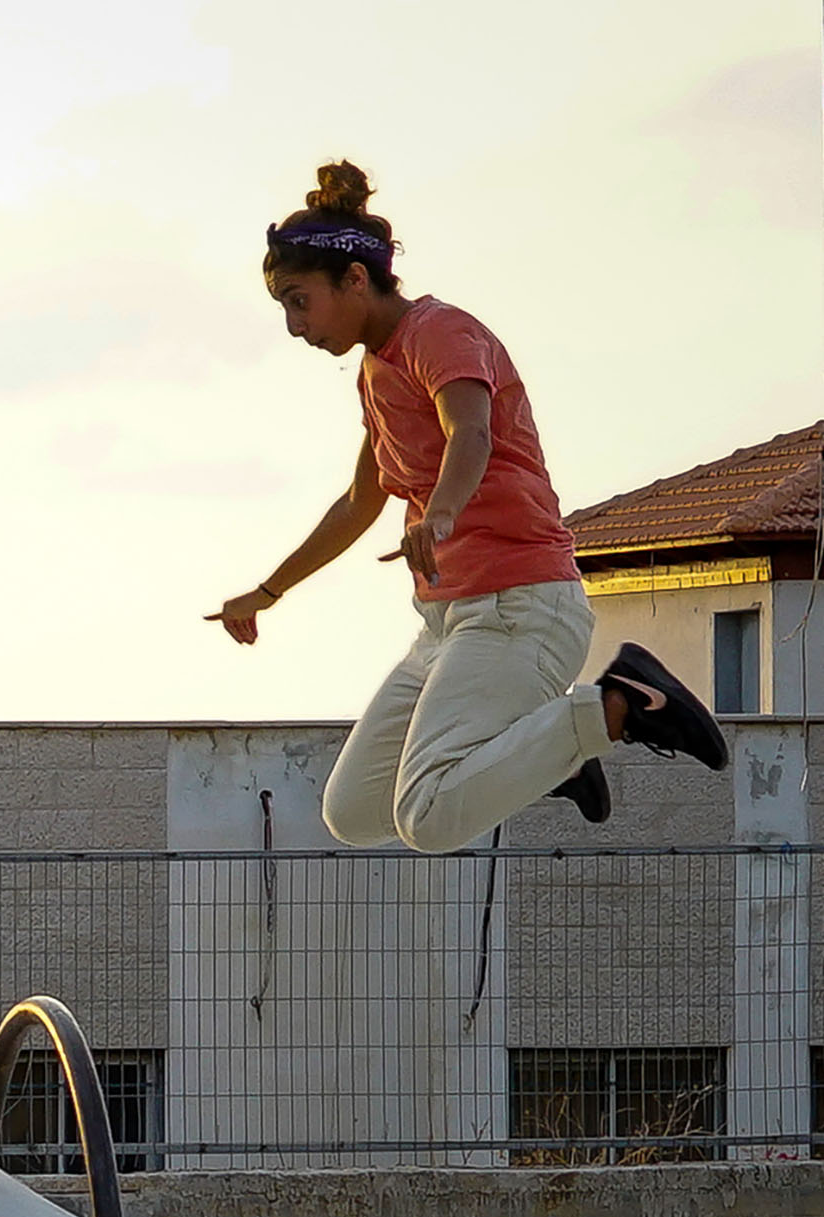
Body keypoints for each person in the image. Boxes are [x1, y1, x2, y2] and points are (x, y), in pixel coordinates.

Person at [204, 163, 727, 853]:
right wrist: (268, 591)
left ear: (354, 281)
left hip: (521, 607)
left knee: (426, 818)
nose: (295, 326)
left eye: (300, 302)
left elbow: (470, 432)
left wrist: (441, 514)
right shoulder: (375, 371)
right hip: (448, 623)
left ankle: (621, 704)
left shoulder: (439, 333)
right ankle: (538, 758)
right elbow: (362, 500)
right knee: (354, 812)